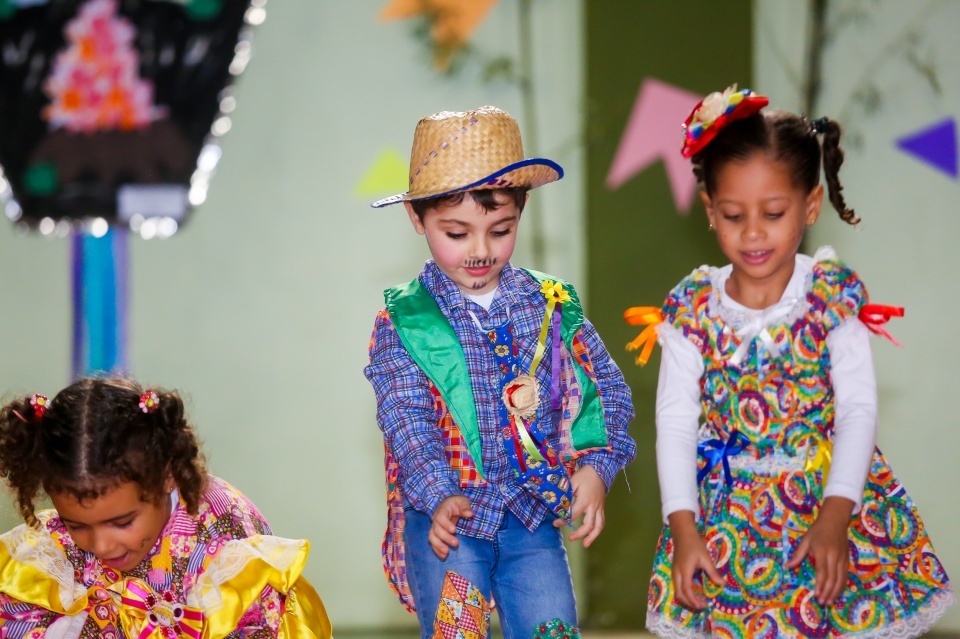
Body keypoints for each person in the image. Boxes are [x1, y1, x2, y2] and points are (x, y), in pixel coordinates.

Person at [626, 85, 955, 638]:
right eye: (734, 215)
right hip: (730, 522)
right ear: (710, 211)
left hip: (825, 508)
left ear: (810, 205)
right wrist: (683, 528)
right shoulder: (691, 308)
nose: (753, 231)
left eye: (773, 213)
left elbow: (856, 411)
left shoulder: (830, 295)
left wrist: (836, 515)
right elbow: (676, 423)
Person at [365, 105, 636, 638]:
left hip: (531, 519)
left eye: (500, 230)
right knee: (458, 633)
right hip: (452, 520)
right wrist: (438, 492)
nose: (480, 251)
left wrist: (596, 466)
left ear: (520, 212)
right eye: (457, 232)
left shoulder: (552, 305)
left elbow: (604, 390)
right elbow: (406, 421)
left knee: (551, 630)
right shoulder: (405, 322)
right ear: (417, 218)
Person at [0, 377, 332, 639]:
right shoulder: (51, 547)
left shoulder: (224, 540)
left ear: (167, 476)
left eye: (122, 522)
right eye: (77, 525)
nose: (100, 545)